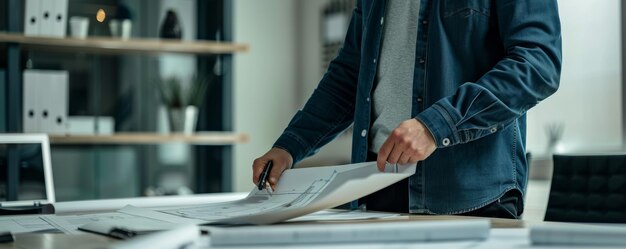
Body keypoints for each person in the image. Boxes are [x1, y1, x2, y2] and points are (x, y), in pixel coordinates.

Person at [252, 0, 561, 218]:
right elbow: (349, 75)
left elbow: (538, 63)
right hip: (376, 188)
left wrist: (436, 126)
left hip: (470, 195)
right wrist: (289, 147)